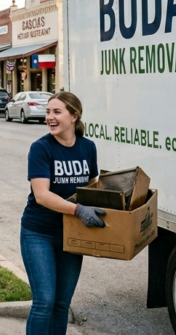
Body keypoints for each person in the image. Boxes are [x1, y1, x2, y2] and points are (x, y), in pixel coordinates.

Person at [21, 91, 104, 335]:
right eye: (48, 112)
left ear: (74, 116)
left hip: (72, 235)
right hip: (39, 233)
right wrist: (79, 210)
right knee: (44, 302)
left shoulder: (87, 147)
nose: (50, 117)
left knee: (62, 304)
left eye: (57, 112)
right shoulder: (41, 148)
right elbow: (42, 195)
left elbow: (92, 186)